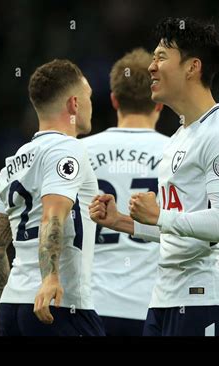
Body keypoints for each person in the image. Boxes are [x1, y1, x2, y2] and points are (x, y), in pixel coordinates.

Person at [89, 17, 219, 336]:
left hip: (207, 299)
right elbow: (176, 229)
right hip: (165, 299)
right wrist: (123, 221)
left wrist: (160, 215)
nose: (151, 66)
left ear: (192, 67)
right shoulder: (178, 137)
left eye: (161, 56)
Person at [0, 59, 104, 336]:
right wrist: (50, 277)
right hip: (61, 305)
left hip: (15, 306)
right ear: (74, 103)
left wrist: (12, 306)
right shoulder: (67, 149)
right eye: (88, 98)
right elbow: (52, 215)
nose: (91, 105)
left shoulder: (12, 164)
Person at [82, 48, 168, 335]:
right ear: (158, 103)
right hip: (154, 306)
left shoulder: (79, 153)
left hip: (91, 305)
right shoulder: (178, 154)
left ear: (114, 99)